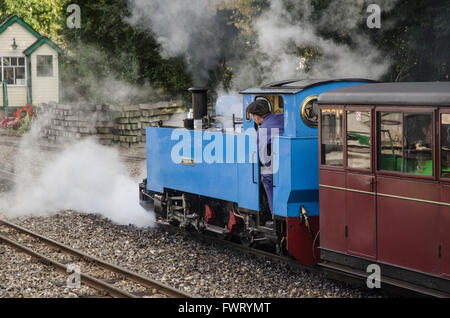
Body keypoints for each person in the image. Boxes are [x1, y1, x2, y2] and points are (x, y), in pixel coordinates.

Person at [246, 99, 284, 216]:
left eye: (252, 116)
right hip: (293, 160)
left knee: (266, 176)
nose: (253, 119)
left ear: (257, 117)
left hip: (281, 165)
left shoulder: (262, 131)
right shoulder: (282, 117)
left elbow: (262, 157)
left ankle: (274, 211)